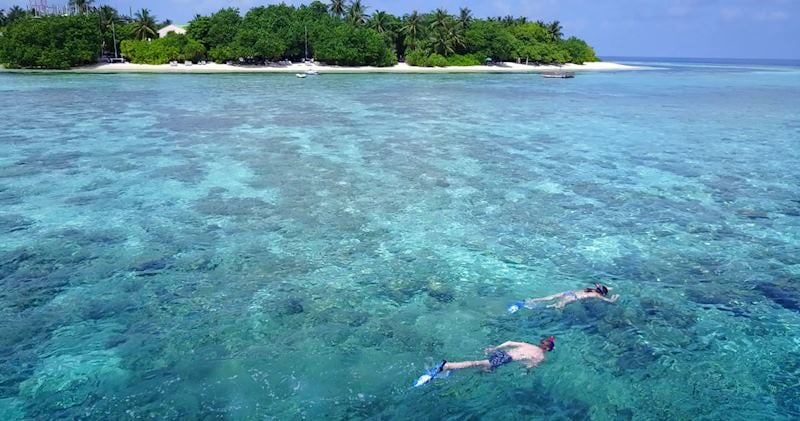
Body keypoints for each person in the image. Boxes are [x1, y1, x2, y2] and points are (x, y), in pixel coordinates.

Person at [414, 337, 555, 387]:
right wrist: (524, 373)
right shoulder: (541, 357)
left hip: (503, 353)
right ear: (548, 349)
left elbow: (510, 342)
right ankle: (447, 366)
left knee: (487, 368)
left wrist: (495, 348)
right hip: (506, 359)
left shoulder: (528, 345)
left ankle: (453, 370)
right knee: (477, 363)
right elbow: (529, 367)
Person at [523, 283, 619, 310]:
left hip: (568, 293)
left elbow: (600, 286)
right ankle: (539, 307)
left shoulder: (590, 289)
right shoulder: (596, 294)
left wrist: (609, 289)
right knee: (557, 306)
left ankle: (533, 300)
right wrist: (615, 297)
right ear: (601, 293)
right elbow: (610, 301)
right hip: (572, 298)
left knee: (548, 298)